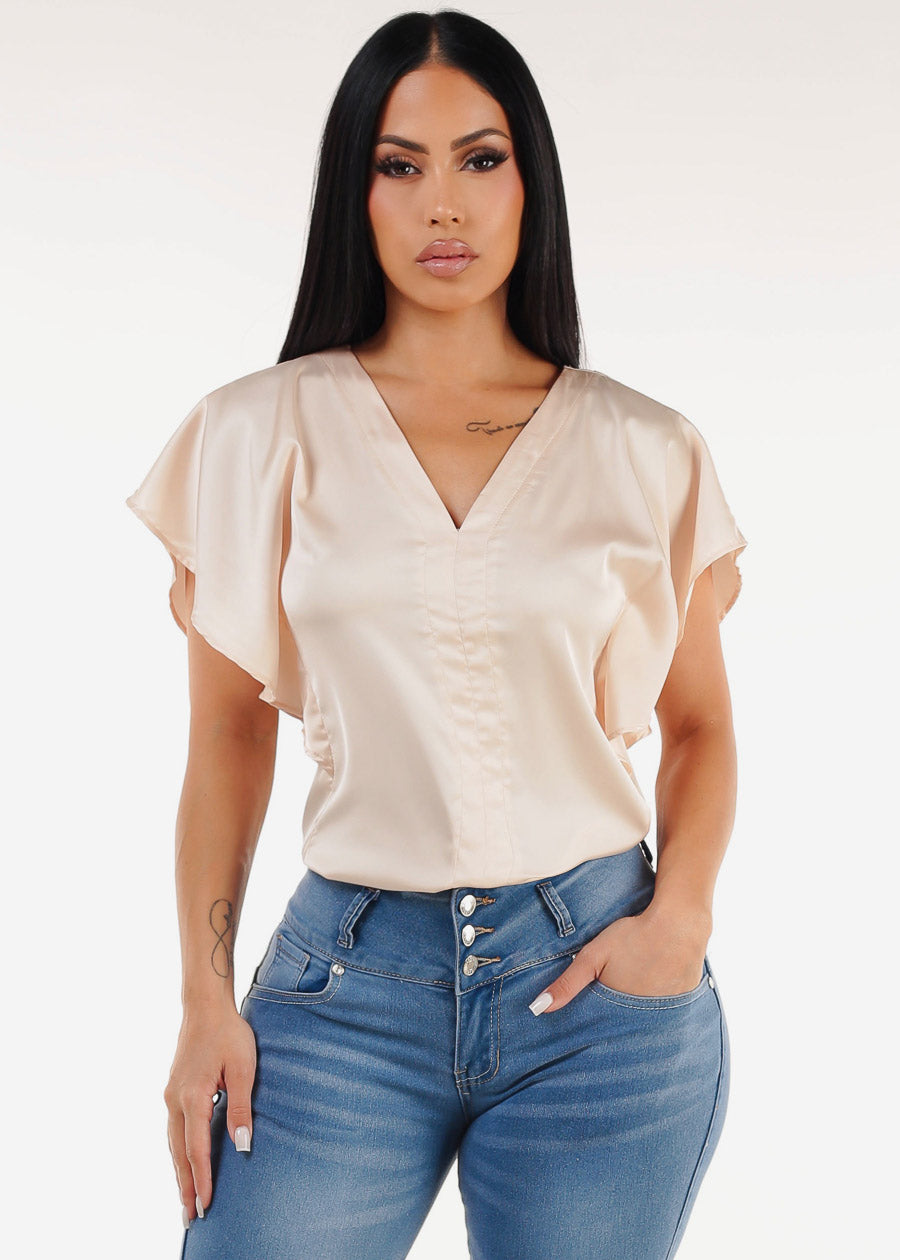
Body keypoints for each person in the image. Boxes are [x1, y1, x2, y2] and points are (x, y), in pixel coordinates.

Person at [125, 11, 748, 1259]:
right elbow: (228, 737)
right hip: (343, 992)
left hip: (598, 993)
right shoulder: (257, 435)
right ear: (354, 193)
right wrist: (204, 999)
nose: (443, 204)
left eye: (481, 158)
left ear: (531, 182)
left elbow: (699, 728)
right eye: (399, 165)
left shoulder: (641, 447)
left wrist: (678, 921)